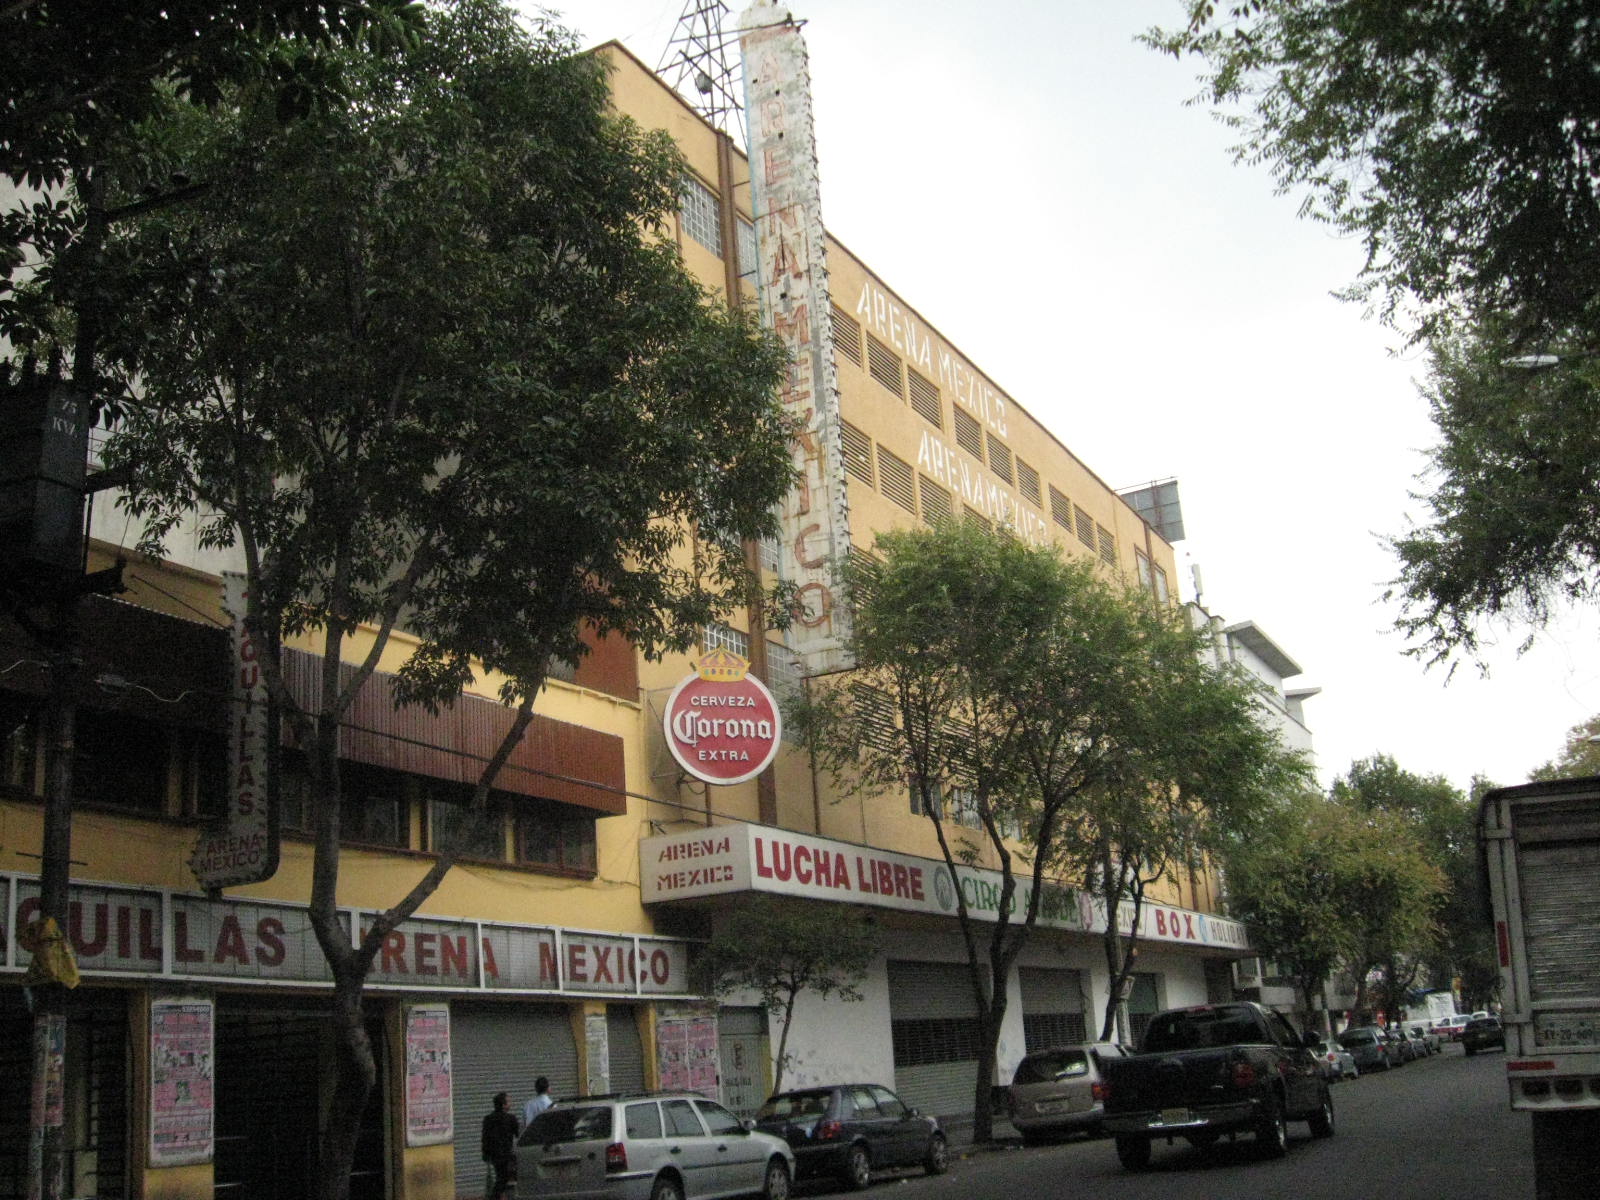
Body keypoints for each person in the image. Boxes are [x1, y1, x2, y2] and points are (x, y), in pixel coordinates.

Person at [481, 1091, 520, 1200]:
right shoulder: (511, 1118)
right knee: (504, 1179)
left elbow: (484, 1138)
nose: (510, 1104)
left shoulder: (488, 1119)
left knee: (501, 1177)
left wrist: (485, 1154)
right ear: (503, 1105)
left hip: (494, 1156)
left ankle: (499, 1196)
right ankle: (495, 1197)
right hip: (507, 1155)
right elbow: (519, 1134)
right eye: (508, 1102)